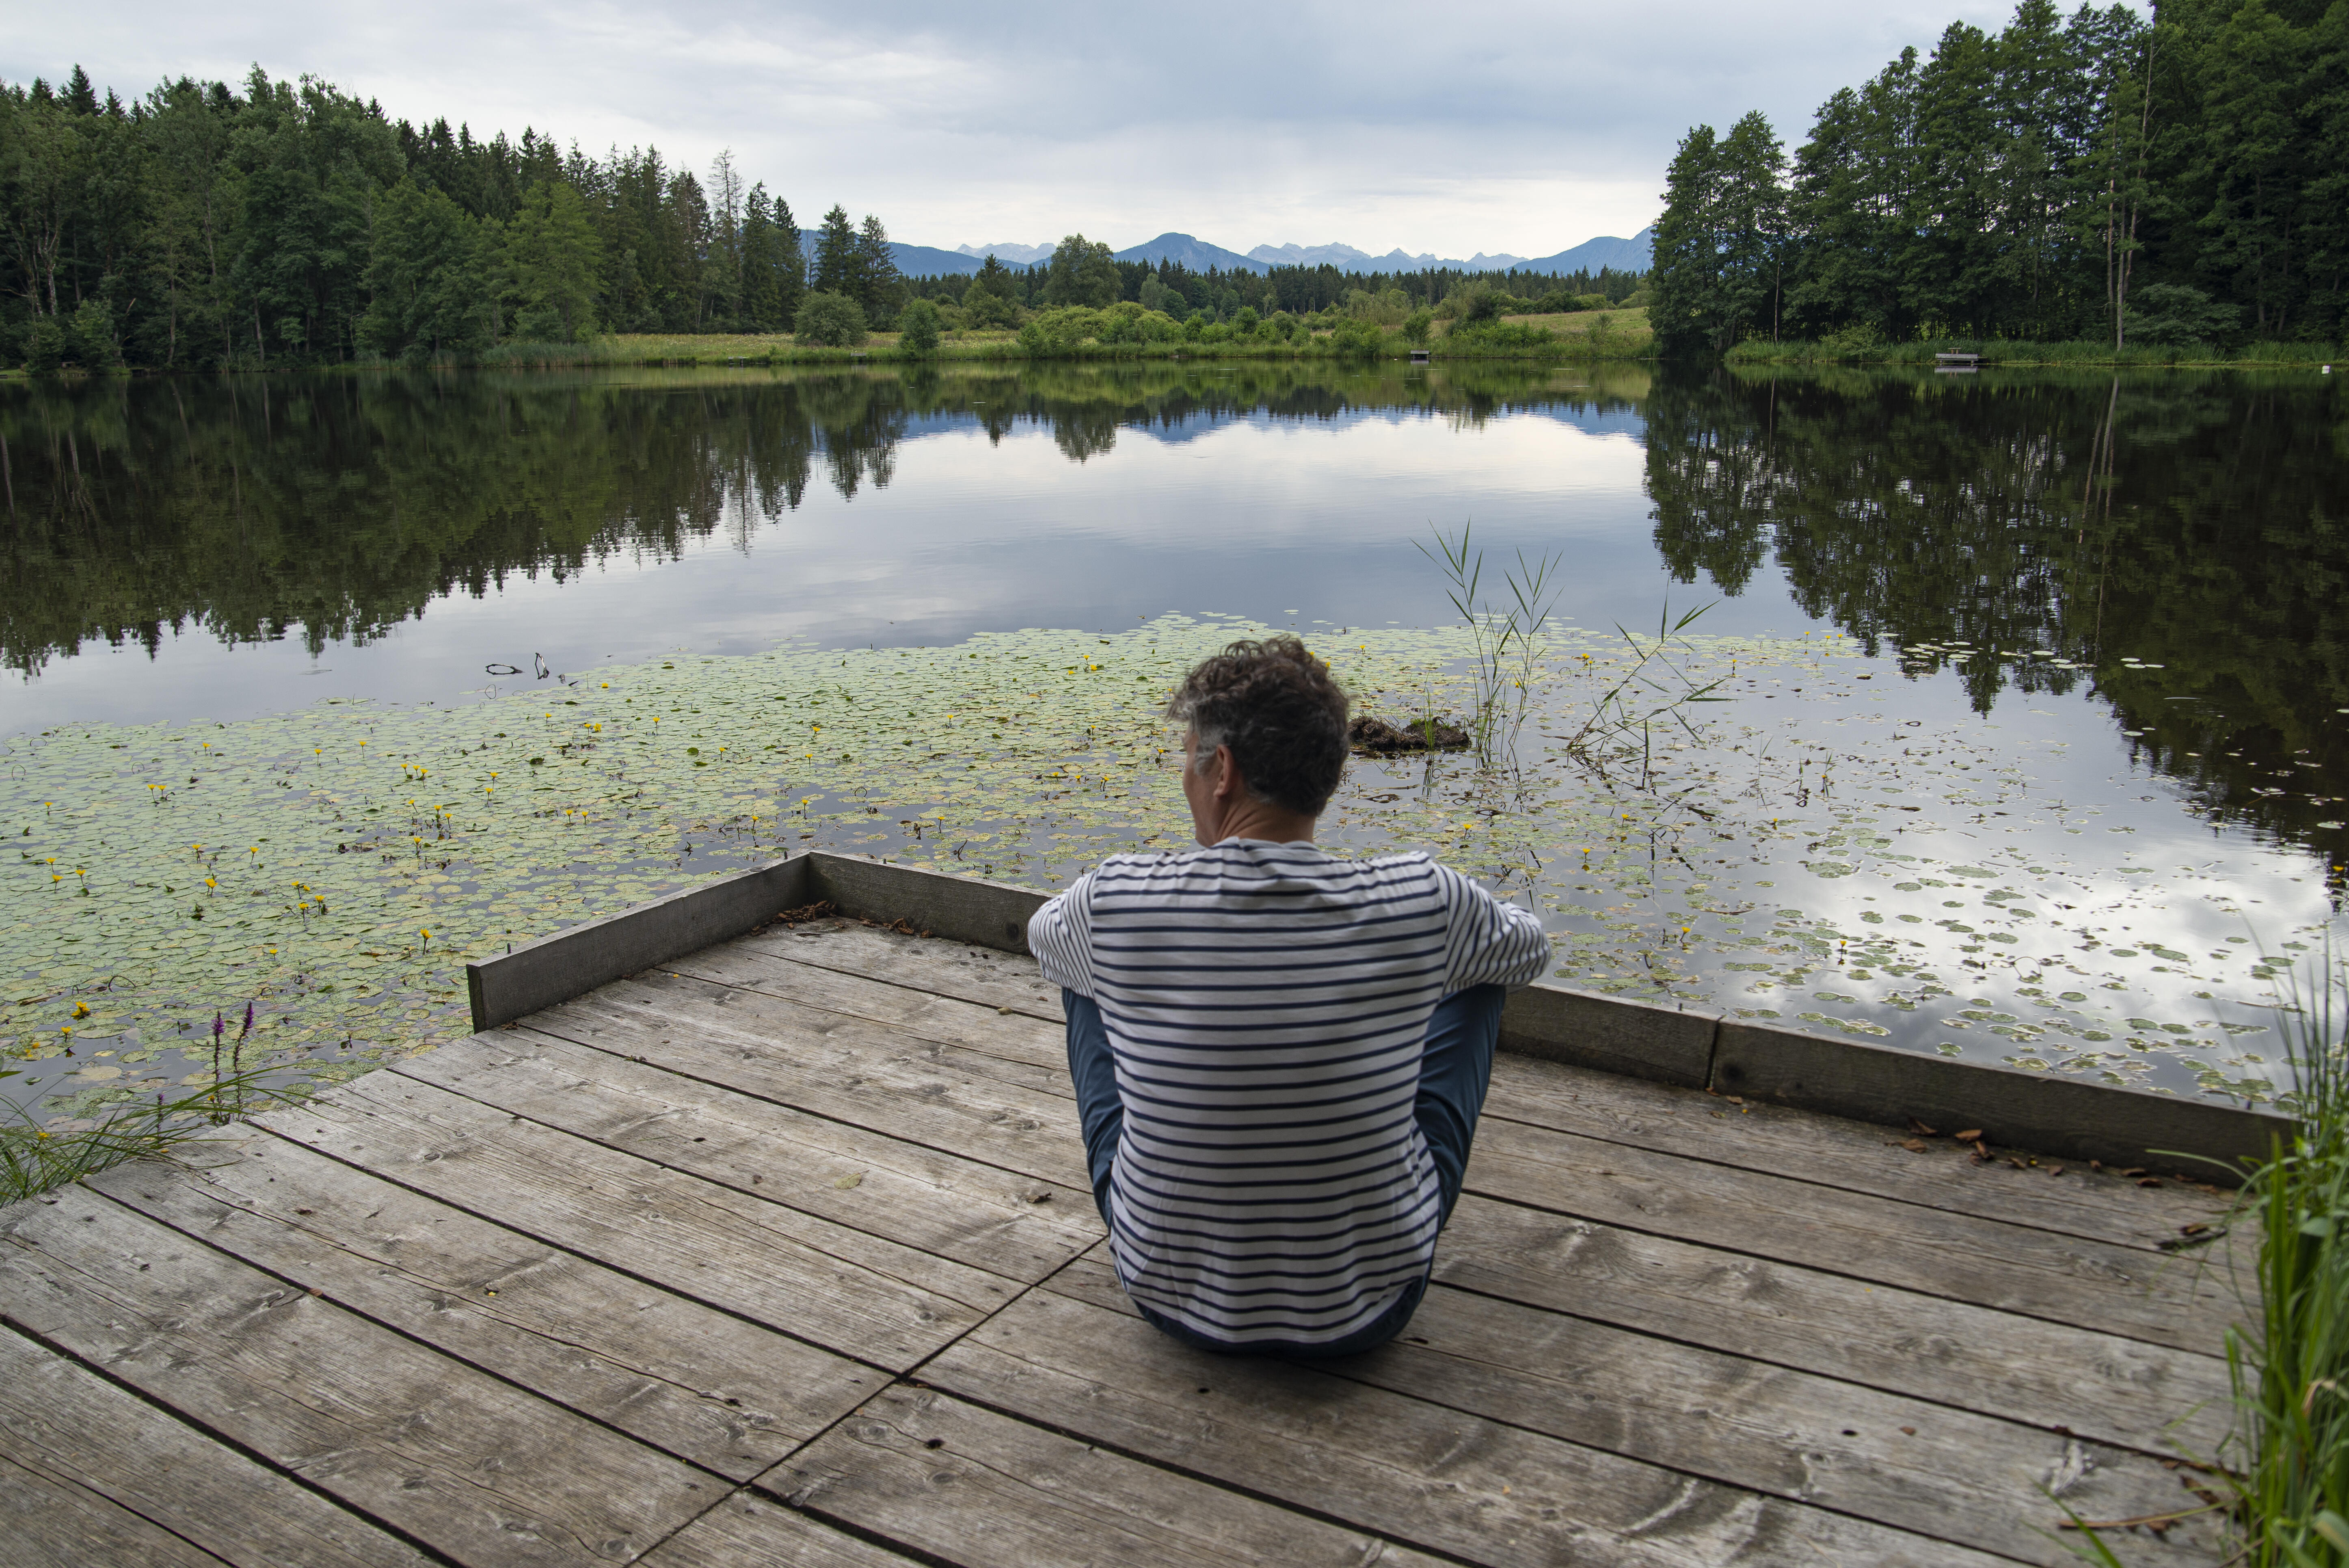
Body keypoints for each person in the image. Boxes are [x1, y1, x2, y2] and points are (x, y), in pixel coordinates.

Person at [1027, 635, 1549, 1355]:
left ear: (1222, 771)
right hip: (1368, 1307)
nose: (1183, 774)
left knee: (1080, 972)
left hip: (1168, 1297)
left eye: (1188, 755)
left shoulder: (1116, 897)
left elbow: (1043, 938)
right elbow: (1529, 949)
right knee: (1484, 968)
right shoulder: (1426, 897)